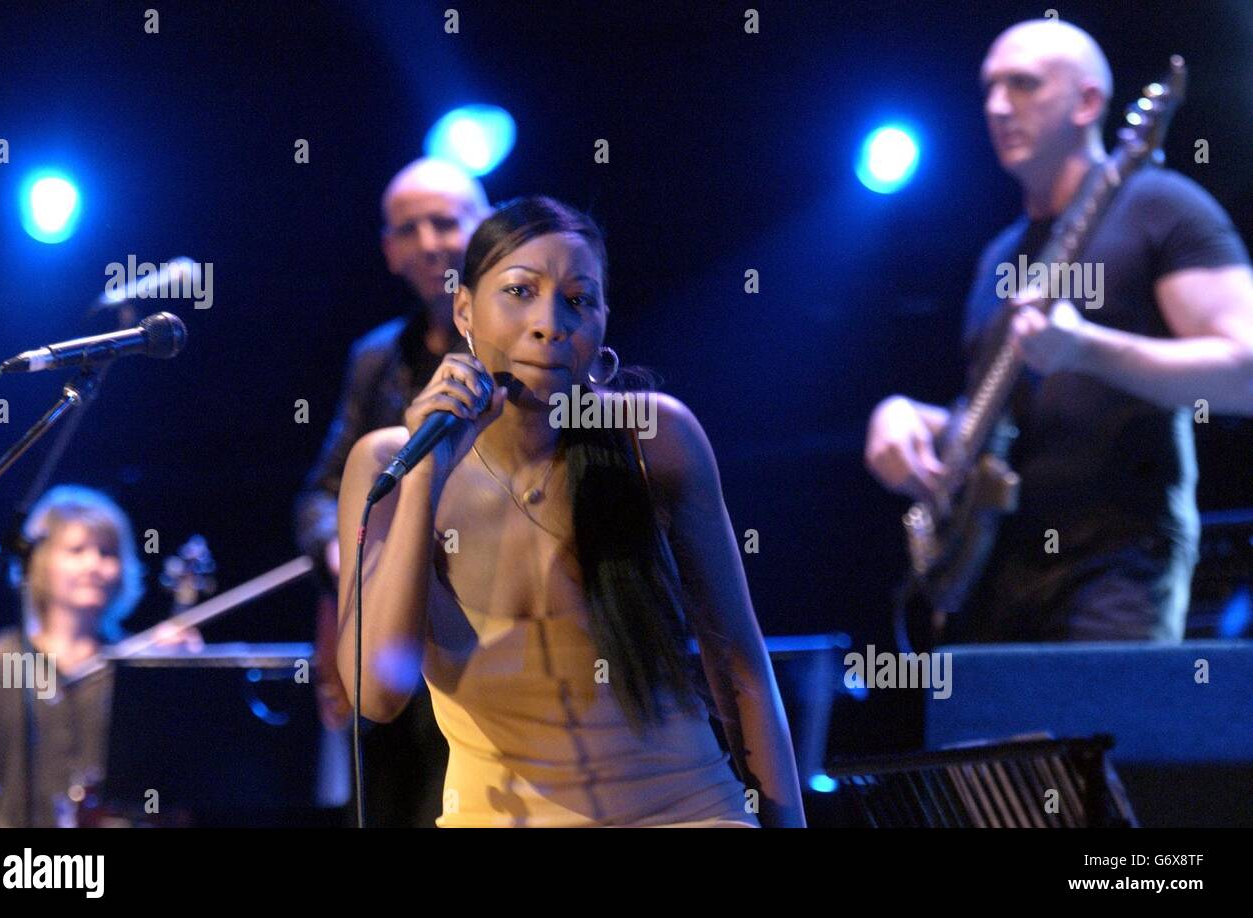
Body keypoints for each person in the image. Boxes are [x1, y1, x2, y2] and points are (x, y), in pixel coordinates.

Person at [336, 195, 806, 827]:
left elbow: (742, 669)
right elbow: (378, 693)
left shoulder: (654, 439)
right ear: (465, 310)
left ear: (604, 322)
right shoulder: (386, 465)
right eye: (520, 292)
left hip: (687, 811)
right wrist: (424, 479)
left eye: (578, 300)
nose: (551, 322)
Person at [865, 19, 1253, 643]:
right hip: (992, 577)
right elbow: (998, 419)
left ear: (1089, 102)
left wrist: (1088, 349)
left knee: (1095, 739)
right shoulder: (998, 257)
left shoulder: (1162, 207)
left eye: (1023, 85)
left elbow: (1247, 371)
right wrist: (907, 417)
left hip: (1116, 567)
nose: (996, 106)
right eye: (989, 87)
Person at [294, 157, 491, 826]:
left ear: (485, 227)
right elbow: (321, 495)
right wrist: (343, 552)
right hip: (388, 644)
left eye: (446, 222)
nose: (431, 242)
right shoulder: (376, 358)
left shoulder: (520, 344)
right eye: (411, 229)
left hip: (482, 639)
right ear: (389, 250)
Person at [0, 485, 201, 827]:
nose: (93, 565)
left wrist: (176, 677)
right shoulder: (4, 659)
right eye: (76, 550)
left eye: (107, 552)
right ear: (41, 561)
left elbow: (169, 784)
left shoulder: (134, 663)